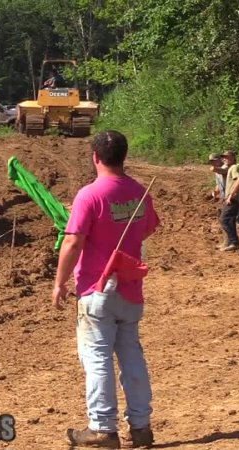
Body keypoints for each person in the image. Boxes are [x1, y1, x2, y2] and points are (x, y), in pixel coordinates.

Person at [52, 130, 159, 448]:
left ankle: (102, 428)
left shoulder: (89, 195)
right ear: (123, 157)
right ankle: (141, 427)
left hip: (97, 289)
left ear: (95, 157)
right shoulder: (140, 192)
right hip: (130, 287)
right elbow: (150, 226)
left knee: (97, 356)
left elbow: (72, 242)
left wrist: (59, 283)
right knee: (131, 354)